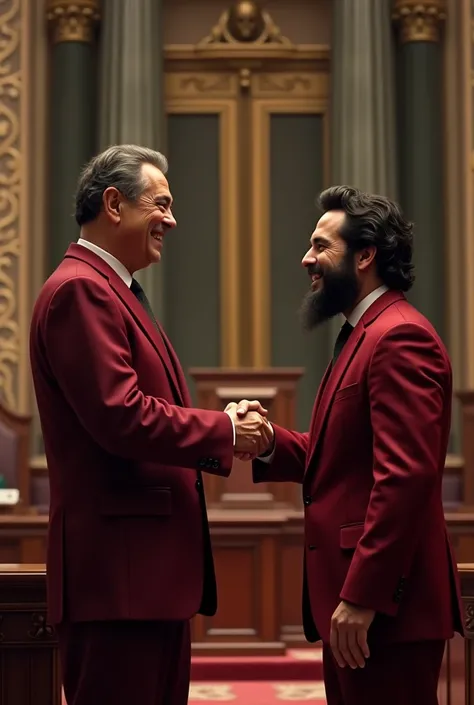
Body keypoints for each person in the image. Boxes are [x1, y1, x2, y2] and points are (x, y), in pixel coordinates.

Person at [29, 144, 272, 705]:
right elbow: (120, 415)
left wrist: (222, 425)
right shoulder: (81, 289)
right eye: (160, 204)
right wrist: (225, 431)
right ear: (114, 204)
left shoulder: (114, 290)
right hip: (119, 580)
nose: (172, 219)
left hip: (142, 580)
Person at [236, 186, 463, 705]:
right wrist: (269, 442)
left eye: (321, 246)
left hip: (384, 608)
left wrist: (363, 595)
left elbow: (404, 479)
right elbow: (345, 456)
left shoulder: (400, 337)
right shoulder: (363, 334)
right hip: (363, 608)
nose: (307, 259)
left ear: (365, 256)